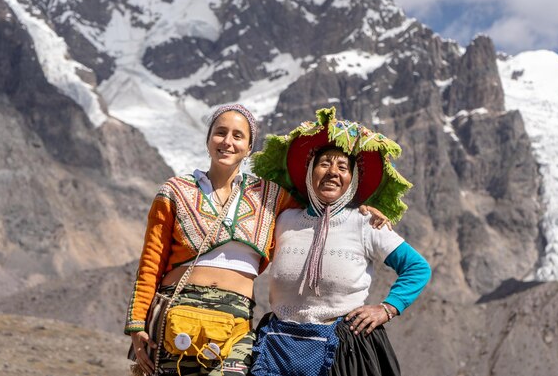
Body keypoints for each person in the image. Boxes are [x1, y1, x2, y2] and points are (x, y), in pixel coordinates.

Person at [125, 104, 389, 376]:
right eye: (220, 132)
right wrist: (136, 325)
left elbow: (322, 208)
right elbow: (150, 262)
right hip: (176, 315)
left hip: (235, 322)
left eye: (238, 136)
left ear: (249, 147)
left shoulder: (271, 197)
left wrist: (362, 209)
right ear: (208, 139)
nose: (227, 142)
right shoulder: (175, 191)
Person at [250, 107, 432, 376]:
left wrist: (388, 308)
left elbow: (417, 268)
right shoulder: (284, 218)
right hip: (277, 346)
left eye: (343, 167)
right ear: (310, 172)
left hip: (341, 352)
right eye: (324, 164)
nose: (333, 172)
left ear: (352, 179)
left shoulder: (366, 223)